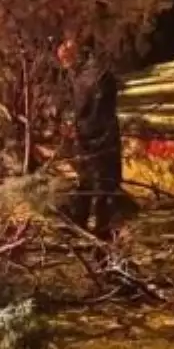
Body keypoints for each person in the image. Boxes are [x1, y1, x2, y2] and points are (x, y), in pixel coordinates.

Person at [57, 38, 123, 238]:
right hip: (90, 137)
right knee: (88, 182)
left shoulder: (96, 76)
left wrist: (82, 132)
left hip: (100, 139)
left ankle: (102, 231)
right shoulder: (80, 75)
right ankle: (80, 221)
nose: (65, 66)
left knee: (104, 186)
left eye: (66, 61)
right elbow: (79, 109)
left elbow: (98, 112)